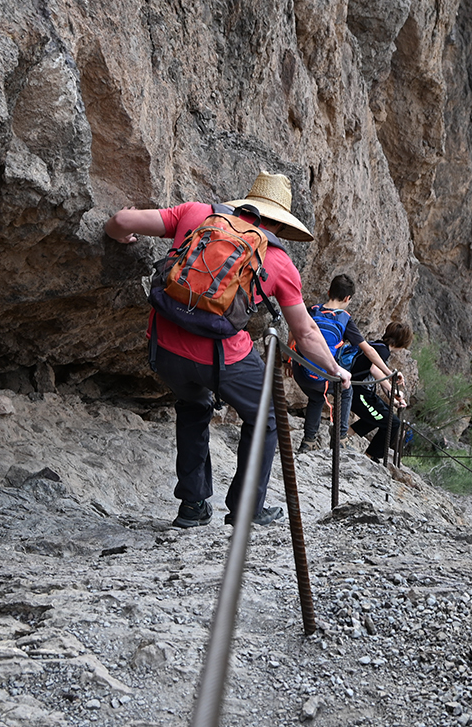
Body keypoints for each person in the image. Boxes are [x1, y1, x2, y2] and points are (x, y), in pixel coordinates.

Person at [104, 172, 350, 529]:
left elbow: (122, 221)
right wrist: (336, 370)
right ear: (278, 223)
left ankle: (192, 506)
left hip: (165, 348)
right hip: (222, 357)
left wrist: (121, 233)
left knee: (193, 405)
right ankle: (247, 507)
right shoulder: (277, 260)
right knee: (266, 416)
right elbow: (307, 333)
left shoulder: (195, 214)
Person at [291, 275, 400, 452]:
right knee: (346, 390)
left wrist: (289, 362)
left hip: (302, 372)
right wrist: (390, 373)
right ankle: (340, 437)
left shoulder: (311, 310)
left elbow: (294, 335)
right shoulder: (345, 319)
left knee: (316, 397)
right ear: (348, 298)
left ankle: (308, 441)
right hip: (324, 376)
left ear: (328, 292)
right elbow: (369, 350)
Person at [349, 321, 413, 463]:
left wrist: (395, 400)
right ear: (403, 342)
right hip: (358, 393)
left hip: (362, 392)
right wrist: (392, 387)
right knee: (392, 422)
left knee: (384, 415)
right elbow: (375, 370)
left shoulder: (377, 345)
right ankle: (370, 457)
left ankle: (346, 434)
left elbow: (380, 377)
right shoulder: (382, 351)